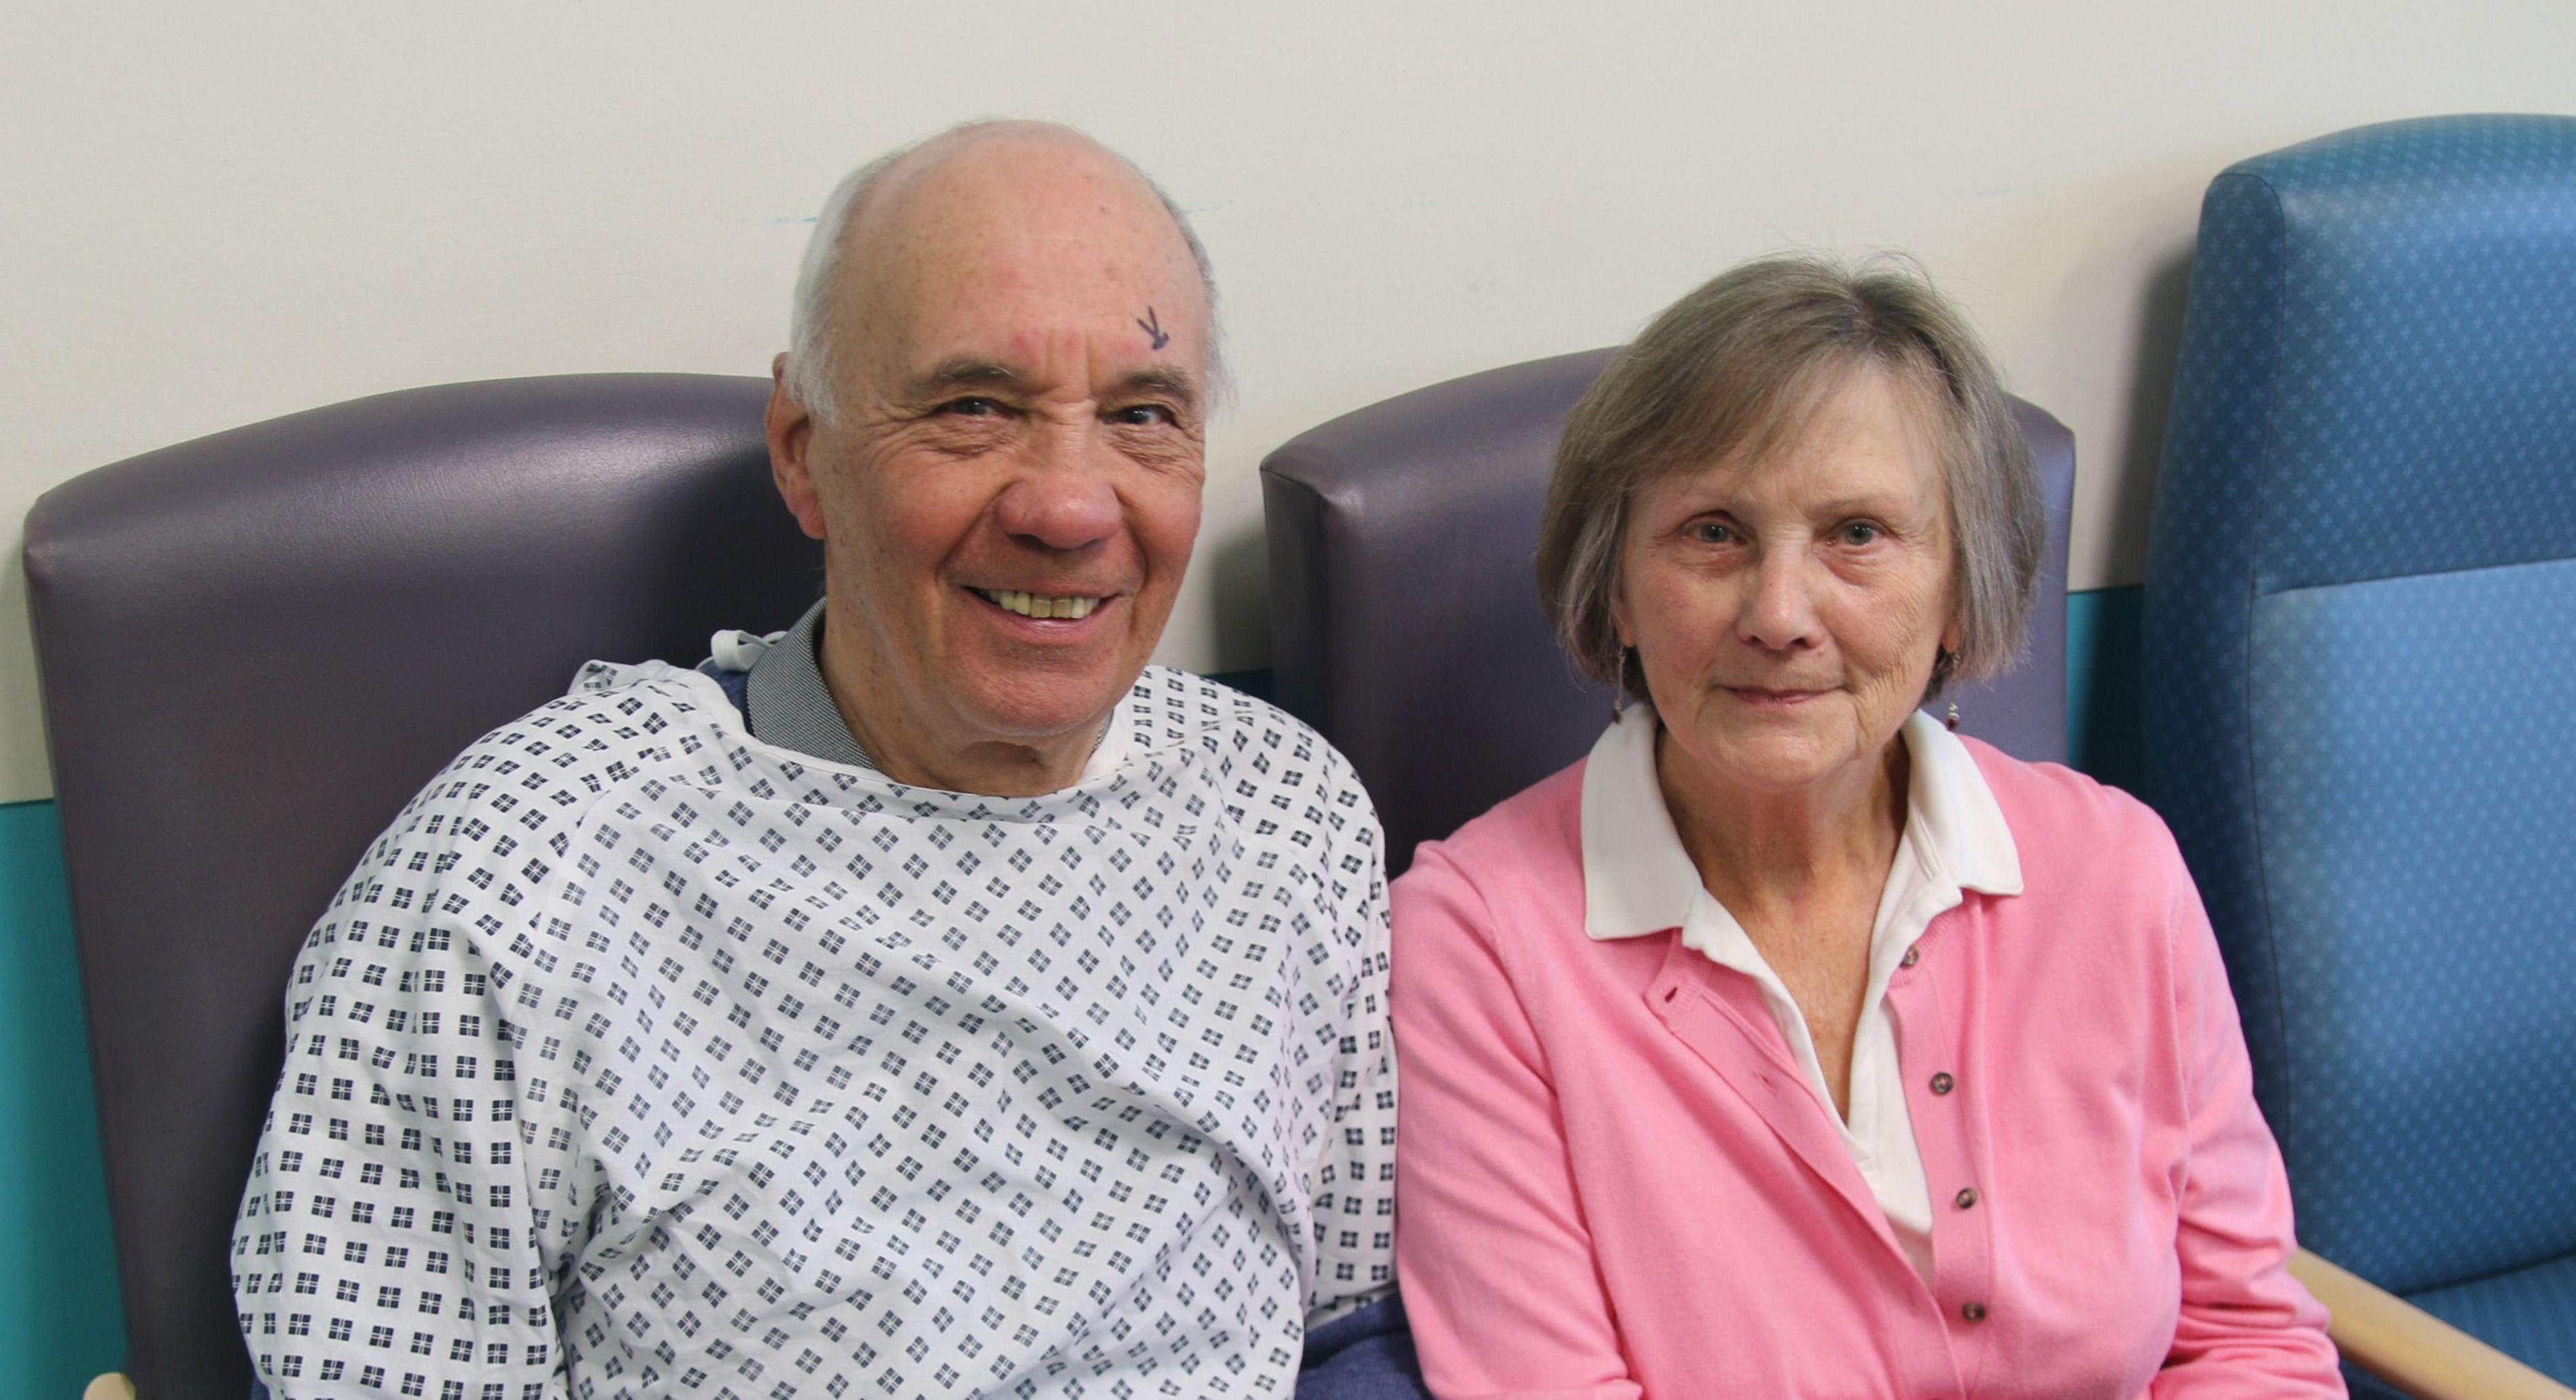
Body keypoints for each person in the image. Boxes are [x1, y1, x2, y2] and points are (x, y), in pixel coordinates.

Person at [231, 121, 1401, 1400]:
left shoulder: (1282, 812)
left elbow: (1352, 1328)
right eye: (974, 408)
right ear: (804, 450)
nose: (1070, 508)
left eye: (1141, 415)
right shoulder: (528, 871)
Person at [1388, 256, 2343, 1398]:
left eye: (1857, 533)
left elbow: (2249, 1341)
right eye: (1712, 533)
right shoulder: (1474, 944)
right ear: (1619, 589)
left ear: (1960, 592)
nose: (1780, 615)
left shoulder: (2115, 867)